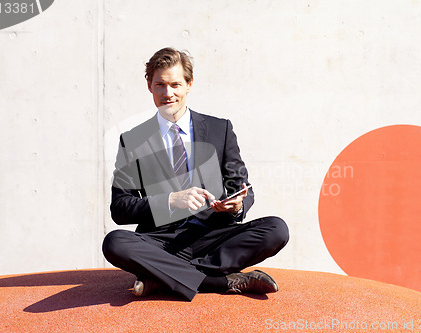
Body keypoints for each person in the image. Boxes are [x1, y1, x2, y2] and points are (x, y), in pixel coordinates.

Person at [102, 47, 289, 301]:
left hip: (214, 236)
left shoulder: (219, 129)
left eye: (176, 84)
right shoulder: (132, 141)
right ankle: (219, 281)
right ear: (149, 86)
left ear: (189, 84)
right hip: (160, 242)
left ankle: (163, 279)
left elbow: (241, 186)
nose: (168, 93)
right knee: (114, 243)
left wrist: (235, 206)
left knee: (276, 229)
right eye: (160, 85)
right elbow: (120, 208)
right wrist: (170, 201)